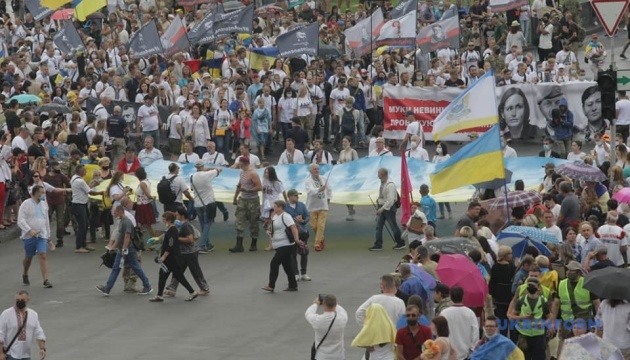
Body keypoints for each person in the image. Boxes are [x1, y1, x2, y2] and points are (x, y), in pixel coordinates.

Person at [95, 205, 153, 296]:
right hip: (123, 249)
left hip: (128, 249)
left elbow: (127, 236)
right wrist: (115, 247)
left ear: (120, 211)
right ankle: (107, 288)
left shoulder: (126, 222)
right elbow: (120, 236)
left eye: (115, 212)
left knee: (133, 267)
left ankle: (147, 285)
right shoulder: (122, 221)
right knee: (118, 268)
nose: (114, 213)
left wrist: (124, 249)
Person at [148, 211, 198, 303]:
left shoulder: (172, 230)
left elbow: (170, 245)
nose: (163, 221)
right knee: (164, 275)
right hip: (171, 259)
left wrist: (163, 257)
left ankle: (192, 291)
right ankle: (159, 295)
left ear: (168, 220)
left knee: (177, 276)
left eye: (164, 219)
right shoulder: (171, 229)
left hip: (171, 259)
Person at [163, 207, 210, 297]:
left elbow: (190, 239)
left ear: (182, 216)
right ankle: (172, 288)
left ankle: (204, 288)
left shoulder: (186, 225)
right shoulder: (179, 225)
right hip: (182, 252)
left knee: (195, 270)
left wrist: (176, 238)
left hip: (190, 252)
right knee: (178, 270)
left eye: (177, 215)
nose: (175, 216)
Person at [550, 261, 600, 344]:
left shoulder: (587, 283)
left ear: (579, 272)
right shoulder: (562, 284)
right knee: (567, 347)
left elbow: (597, 304)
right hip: (567, 322)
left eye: (571, 270)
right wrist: (552, 322)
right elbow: (556, 304)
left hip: (584, 322)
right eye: (567, 270)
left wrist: (598, 322)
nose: (568, 272)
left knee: (585, 346)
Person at [261, 200, 305, 292]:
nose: (274, 208)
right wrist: (270, 232)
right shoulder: (275, 216)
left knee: (274, 263)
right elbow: (274, 228)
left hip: (286, 245)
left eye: (275, 206)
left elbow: (293, 228)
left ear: (281, 207)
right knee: (287, 266)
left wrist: (296, 239)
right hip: (278, 245)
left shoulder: (286, 216)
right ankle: (293, 285)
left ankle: (271, 285)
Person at [17, 185, 53, 289]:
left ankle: (46, 280)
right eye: (41, 193)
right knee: (29, 257)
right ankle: (25, 273)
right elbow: (21, 220)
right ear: (35, 193)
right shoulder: (26, 204)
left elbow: (46, 220)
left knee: (42, 255)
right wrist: (29, 230)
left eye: (44, 193)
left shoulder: (44, 205)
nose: (43, 195)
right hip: (29, 236)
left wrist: (48, 236)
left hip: (41, 234)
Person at [508, 277, 549, 360]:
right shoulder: (521, 300)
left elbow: (549, 317)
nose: (530, 287)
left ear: (538, 287)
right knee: (523, 357)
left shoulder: (543, 301)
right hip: (524, 334)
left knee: (539, 357)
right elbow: (512, 316)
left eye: (532, 285)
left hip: (538, 335)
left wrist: (544, 323)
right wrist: (522, 317)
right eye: (528, 285)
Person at [0, 291, 47, 360]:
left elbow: (39, 332)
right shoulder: (6, 314)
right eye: (17, 300)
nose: (19, 302)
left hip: (26, 355)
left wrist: (42, 348)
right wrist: (1, 354)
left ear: (28, 300)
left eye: (22, 300)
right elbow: (1, 334)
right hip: (10, 354)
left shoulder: (33, 314)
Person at [230, 156, 262, 253]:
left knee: (253, 222)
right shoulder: (242, 173)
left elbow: (259, 187)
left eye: (240, 163)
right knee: (239, 220)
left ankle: (253, 243)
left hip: (252, 200)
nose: (239, 165)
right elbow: (239, 185)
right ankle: (239, 245)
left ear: (243, 164)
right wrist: (235, 197)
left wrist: (248, 190)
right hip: (243, 199)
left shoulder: (253, 174)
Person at [190, 161, 222, 253]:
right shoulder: (207, 174)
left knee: (203, 225)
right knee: (207, 224)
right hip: (208, 203)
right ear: (203, 166)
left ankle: (207, 244)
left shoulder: (192, 177)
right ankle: (202, 245)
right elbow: (220, 169)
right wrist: (208, 169)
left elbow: (192, 188)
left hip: (197, 204)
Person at [71, 165, 103, 253]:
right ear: (80, 171)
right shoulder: (80, 181)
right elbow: (90, 192)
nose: (85, 172)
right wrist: (101, 192)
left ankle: (83, 244)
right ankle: (79, 246)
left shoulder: (74, 178)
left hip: (80, 204)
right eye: (84, 170)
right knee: (82, 226)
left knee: (85, 225)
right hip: (79, 204)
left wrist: (92, 185)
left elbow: (87, 188)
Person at [441, 287, 479, 360]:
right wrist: (472, 349)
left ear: (450, 297)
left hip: (448, 353)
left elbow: (440, 333)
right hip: (465, 354)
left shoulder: (444, 313)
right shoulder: (470, 313)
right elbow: (475, 332)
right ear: (463, 297)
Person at [306, 294, 348, 360]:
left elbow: (308, 313)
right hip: (339, 356)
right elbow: (342, 310)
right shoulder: (342, 318)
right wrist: (334, 303)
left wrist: (315, 304)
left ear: (324, 305)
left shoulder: (318, 320)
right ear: (335, 304)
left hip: (322, 357)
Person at [370, 168, 404, 251]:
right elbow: (384, 196)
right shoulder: (383, 183)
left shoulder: (390, 185)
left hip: (388, 208)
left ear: (382, 174)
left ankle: (400, 242)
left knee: (393, 226)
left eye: (379, 173)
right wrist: (379, 200)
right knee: (379, 226)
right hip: (382, 206)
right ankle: (378, 244)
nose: (377, 175)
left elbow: (391, 200)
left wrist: (382, 209)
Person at [285, 189, 311, 282]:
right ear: (290, 196)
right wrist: (293, 220)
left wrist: (303, 220)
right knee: (293, 254)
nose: (297, 197)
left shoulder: (301, 205)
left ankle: (304, 273)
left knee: (304, 252)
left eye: (297, 195)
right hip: (290, 233)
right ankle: (295, 274)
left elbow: (308, 216)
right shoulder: (285, 207)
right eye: (295, 195)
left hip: (302, 232)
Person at [43, 160, 71, 248]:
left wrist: (67, 192)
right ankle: (45, 238)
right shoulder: (46, 177)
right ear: (51, 168)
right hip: (49, 201)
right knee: (46, 220)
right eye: (56, 167)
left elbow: (68, 183)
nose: (58, 169)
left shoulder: (61, 176)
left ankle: (60, 239)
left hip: (60, 201)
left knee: (60, 221)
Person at [305, 163, 332, 252]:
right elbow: (310, 191)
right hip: (312, 206)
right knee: (314, 226)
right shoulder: (308, 181)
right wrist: (319, 189)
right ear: (310, 171)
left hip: (323, 206)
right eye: (315, 169)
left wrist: (328, 199)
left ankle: (317, 243)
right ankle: (321, 238)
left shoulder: (324, 179)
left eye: (317, 169)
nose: (317, 171)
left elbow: (329, 189)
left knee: (320, 226)